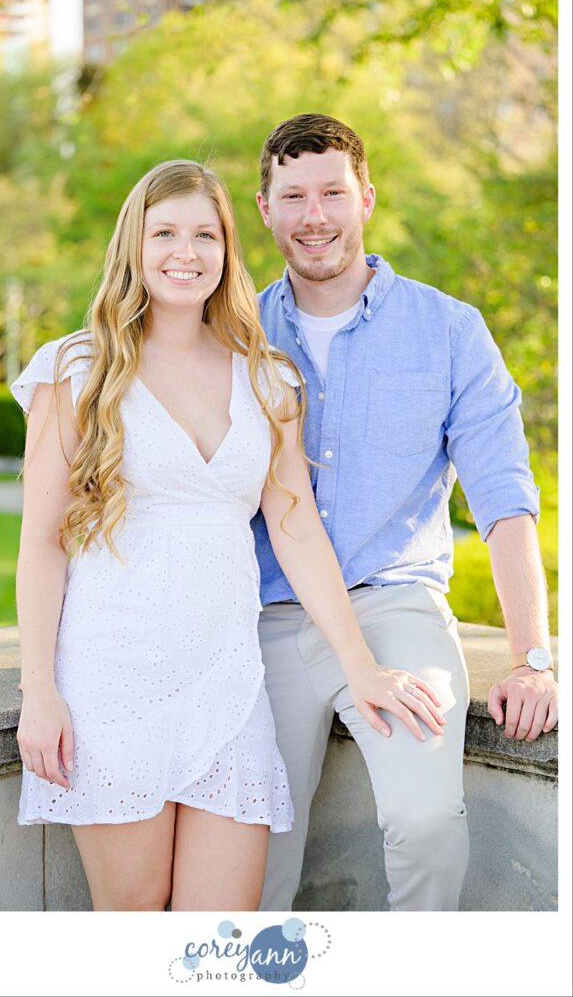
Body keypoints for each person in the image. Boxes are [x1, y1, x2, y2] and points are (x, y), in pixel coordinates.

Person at [10, 159, 446, 912]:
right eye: (166, 233)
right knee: (137, 925)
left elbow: (295, 525)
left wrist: (359, 663)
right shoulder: (76, 369)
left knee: (222, 941)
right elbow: (42, 544)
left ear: (227, 249)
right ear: (133, 248)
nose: (186, 252)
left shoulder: (267, 377)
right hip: (111, 682)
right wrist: (38, 690)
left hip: (226, 683)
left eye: (205, 235)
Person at [251, 113, 559, 912]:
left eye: (331, 193)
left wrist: (531, 657)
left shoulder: (449, 330)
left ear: (366, 200)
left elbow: (503, 501)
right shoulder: (233, 331)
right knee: (251, 854)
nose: (313, 215)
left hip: (396, 606)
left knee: (425, 821)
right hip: (260, 615)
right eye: (293, 196)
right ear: (264, 210)